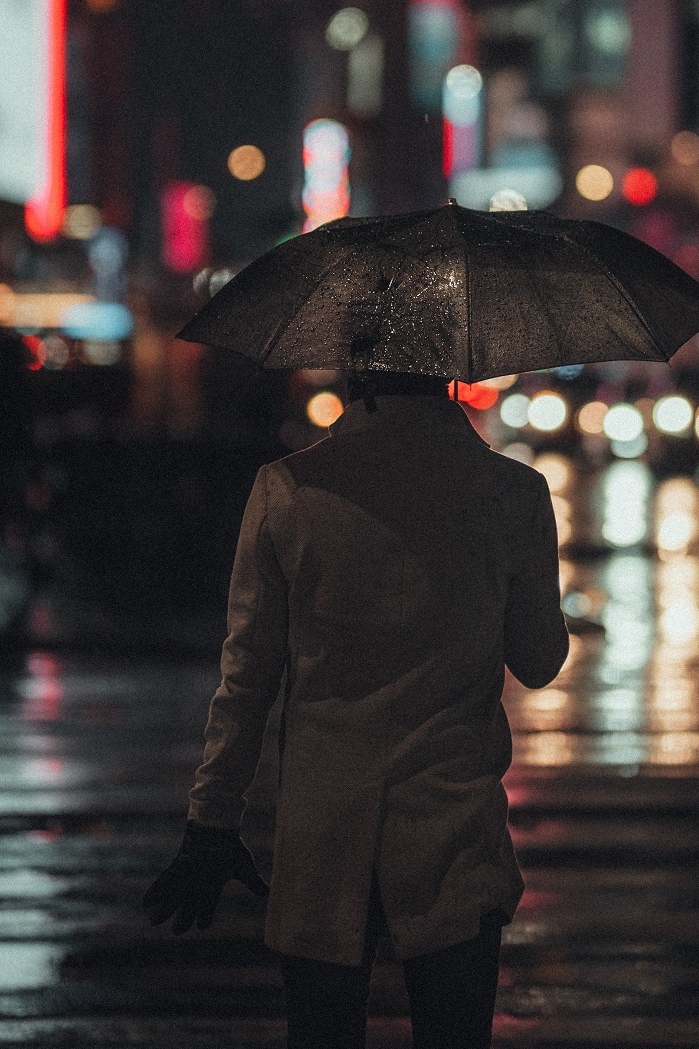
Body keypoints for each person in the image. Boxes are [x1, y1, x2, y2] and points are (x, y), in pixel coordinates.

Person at [144, 369, 569, 1048]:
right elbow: (541, 658)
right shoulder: (512, 492)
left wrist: (212, 819)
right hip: (453, 837)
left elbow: (247, 677)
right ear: (451, 374)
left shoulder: (289, 488)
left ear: (355, 369)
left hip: (322, 839)